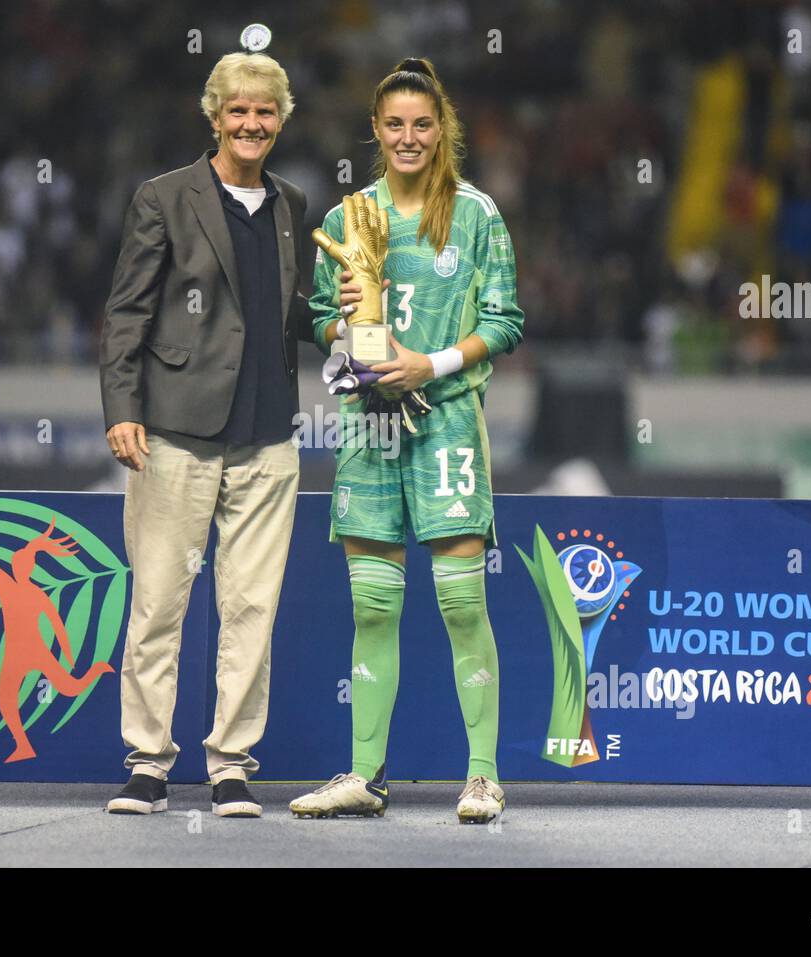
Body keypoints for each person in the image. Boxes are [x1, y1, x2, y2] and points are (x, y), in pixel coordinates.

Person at [99, 51, 367, 818]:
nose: (252, 124)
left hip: (267, 438)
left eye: (266, 112)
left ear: (281, 121)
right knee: (157, 604)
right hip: (174, 432)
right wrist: (123, 405)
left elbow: (292, 316)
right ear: (213, 116)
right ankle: (148, 763)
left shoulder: (292, 202)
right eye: (238, 111)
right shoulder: (163, 198)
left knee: (251, 609)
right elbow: (127, 312)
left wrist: (344, 317)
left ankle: (230, 766)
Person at [291, 57, 525, 824]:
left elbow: (505, 321)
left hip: (447, 422)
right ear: (375, 130)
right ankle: (365, 775)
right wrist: (352, 340)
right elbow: (319, 319)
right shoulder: (346, 219)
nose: (408, 137)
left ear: (443, 129)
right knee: (373, 607)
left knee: (462, 605)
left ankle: (483, 776)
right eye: (394, 124)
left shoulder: (478, 215)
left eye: (423, 124)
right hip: (367, 423)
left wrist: (431, 361)